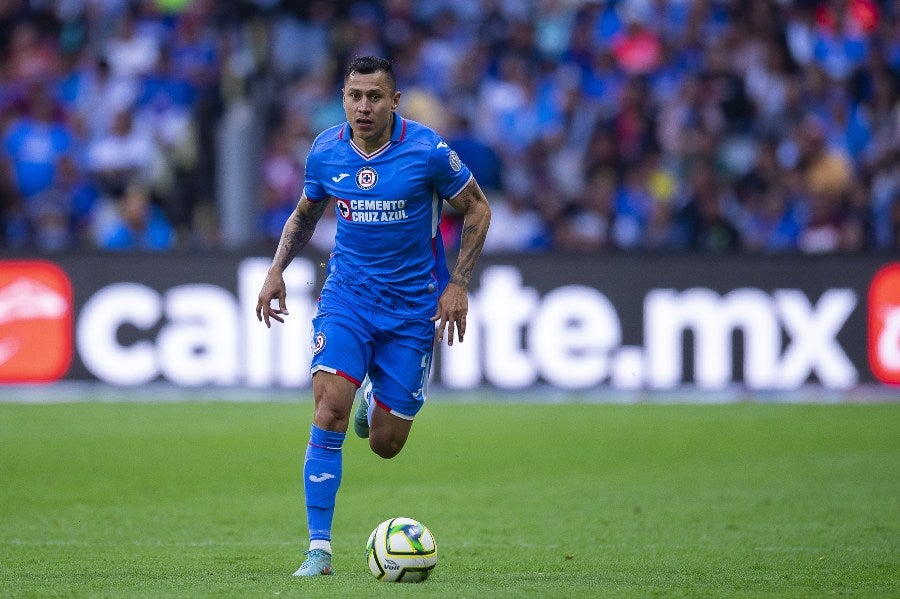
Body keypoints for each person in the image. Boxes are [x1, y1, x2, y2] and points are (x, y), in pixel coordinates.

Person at [255, 56, 491, 577]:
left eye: (375, 96)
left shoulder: (426, 150)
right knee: (328, 411)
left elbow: (477, 208)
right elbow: (304, 213)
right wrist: (276, 271)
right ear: (343, 99)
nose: (364, 106)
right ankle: (319, 548)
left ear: (394, 101)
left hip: (411, 310)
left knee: (385, 444)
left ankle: (375, 400)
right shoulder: (325, 150)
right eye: (354, 95)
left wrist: (458, 282)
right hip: (347, 300)